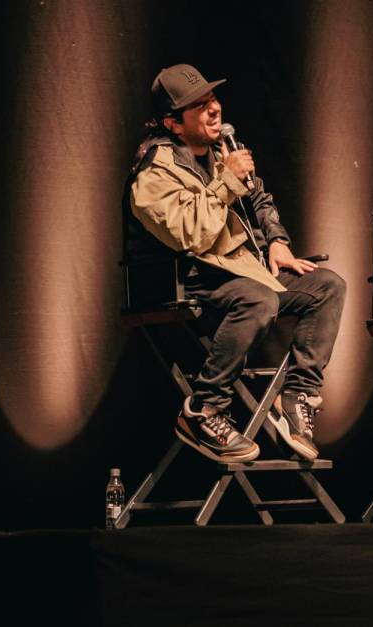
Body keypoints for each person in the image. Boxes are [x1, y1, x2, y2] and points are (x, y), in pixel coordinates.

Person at [124, 63, 345, 463]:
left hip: (241, 271)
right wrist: (227, 181)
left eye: (212, 99)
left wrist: (277, 240)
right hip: (187, 280)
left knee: (327, 286)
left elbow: (259, 197)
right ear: (173, 124)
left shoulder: (221, 152)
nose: (214, 110)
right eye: (199, 105)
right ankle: (203, 408)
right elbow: (192, 234)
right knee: (259, 299)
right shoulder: (153, 172)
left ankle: (297, 395)